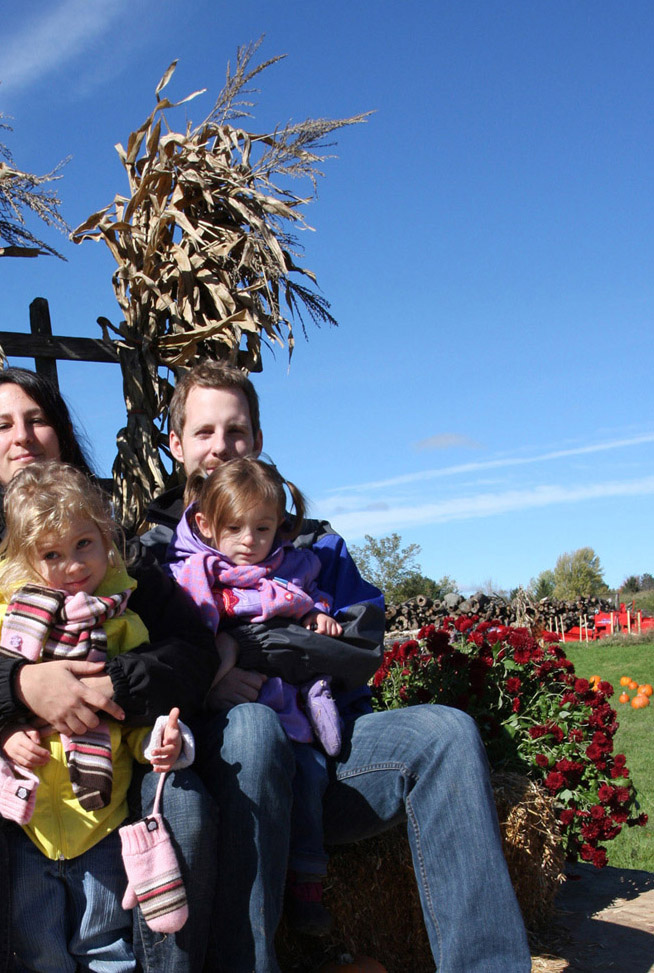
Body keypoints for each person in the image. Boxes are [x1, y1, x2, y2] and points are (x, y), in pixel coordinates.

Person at [143, 361, 531, 972]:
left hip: (326, 755)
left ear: (258, 440)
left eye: (236, 431)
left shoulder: (313, 543)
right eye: (204, 432)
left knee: (448, 733)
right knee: (253, 728)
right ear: (176, 443)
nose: (222, 447)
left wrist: (244, 649)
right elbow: (146, 668)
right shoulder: (153, 552)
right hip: (219, 771)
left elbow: (360, 645)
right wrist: (211, 681)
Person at [0, 367, 218, 973]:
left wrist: (114, 683)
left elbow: (192, 649)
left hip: (105, 773)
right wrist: (19, 687)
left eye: (37, 420)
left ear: (60, 435)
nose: (23, 436)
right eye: (3, 425)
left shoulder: (106, 546)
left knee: (184, 794)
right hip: (1, 777)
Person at [0, 461, 191, 970]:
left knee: (107, 949)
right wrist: (6, 735)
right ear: (26, 559)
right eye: (52, 554)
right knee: (38, 952)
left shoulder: (124, 626)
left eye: (83, 544)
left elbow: (132, 717)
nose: (72, 565)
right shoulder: (1, 626)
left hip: (102, 824)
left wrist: (158, 742)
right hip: (28, 829)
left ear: (106, 539)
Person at [165, 456, 350, 937]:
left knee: (309, 775)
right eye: (236, 528)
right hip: (222, 724)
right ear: (206, 526)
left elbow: (320, 608)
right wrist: (213, 676)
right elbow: (181, 642)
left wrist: (315, 618)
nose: (249, 540)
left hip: (287, 708)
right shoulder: (189, 576)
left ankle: (305, 877)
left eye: (263, 529)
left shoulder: (293, 569)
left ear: (280, 526)